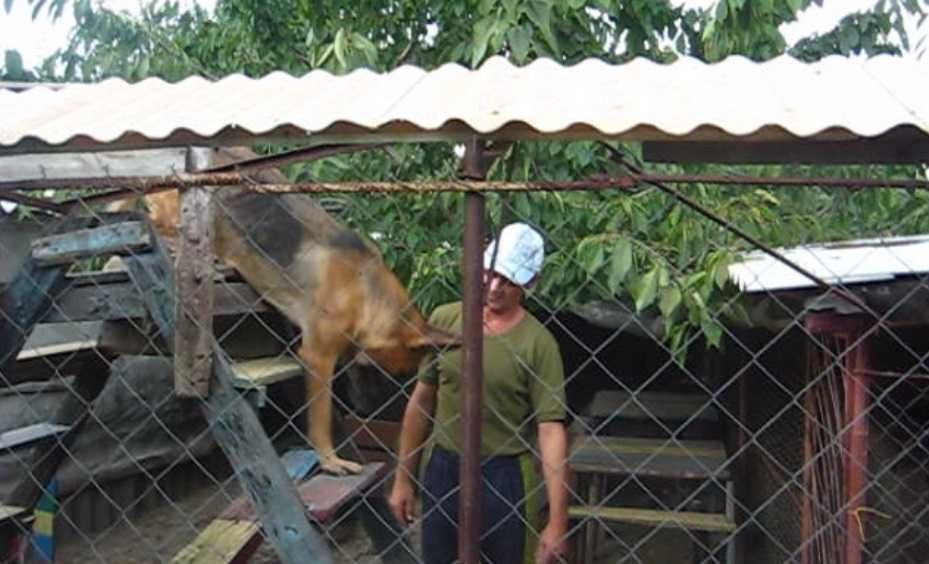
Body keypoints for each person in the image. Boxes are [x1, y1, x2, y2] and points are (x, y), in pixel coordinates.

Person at [388, 222, 569, 564]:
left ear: (530, 283)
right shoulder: (447, 318)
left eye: (509, 281)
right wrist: (403, 479)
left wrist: (558, 521)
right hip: (444, 464)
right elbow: (422, 400)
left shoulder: (538, 344)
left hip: (504, 473)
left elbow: (551, 428)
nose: (495, 287)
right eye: (491, 274)